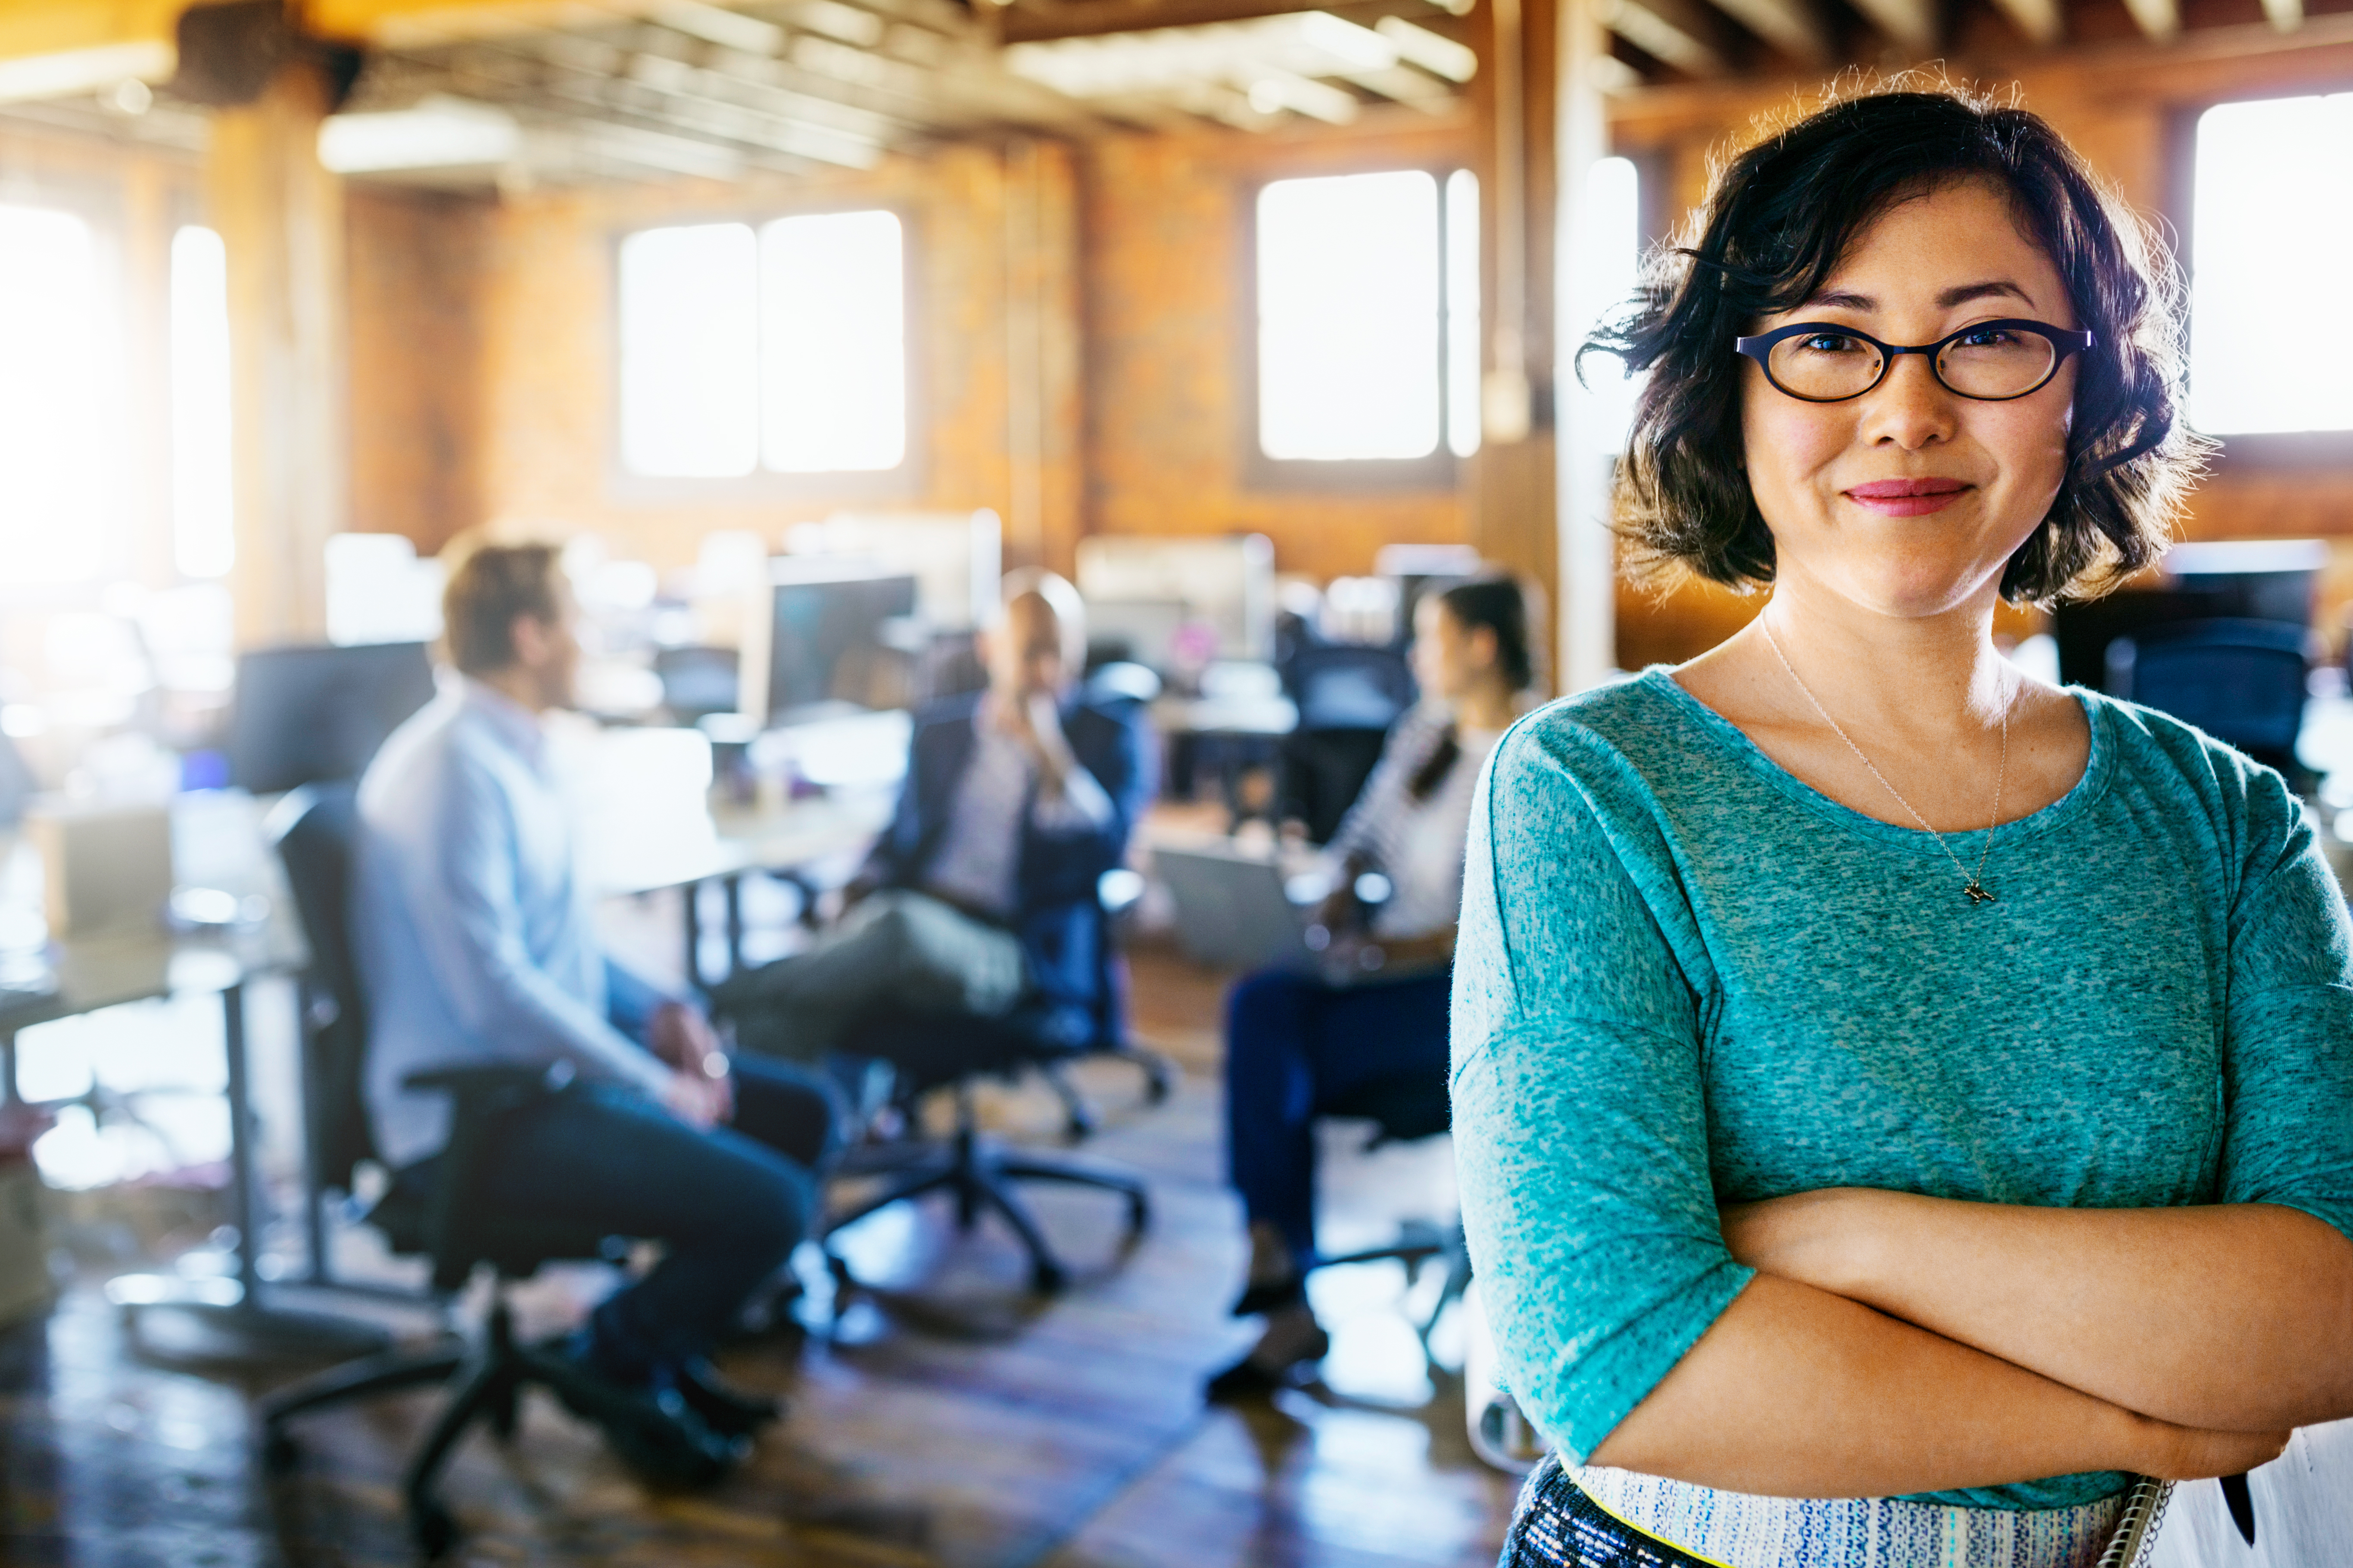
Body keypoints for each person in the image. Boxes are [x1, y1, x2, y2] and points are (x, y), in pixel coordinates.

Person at [1455, 86, 2353, 1567]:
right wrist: (2143, 1426)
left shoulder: (2228, 823)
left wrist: (1843, 1239)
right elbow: (1619, 1355)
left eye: (1990, 334)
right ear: (1729, 388)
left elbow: (2326, 1310)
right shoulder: (1590, 791)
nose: (1906, 404)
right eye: (1825, 336)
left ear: (2089, 388)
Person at [355, 537, 840, 1484]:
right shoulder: (456, 770)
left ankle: (658, 1351)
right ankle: (615, 1354)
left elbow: (557, 950)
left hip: (542, 1080)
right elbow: (496, 995)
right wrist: (653, 1081)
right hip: (481, 1113)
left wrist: (665, 1009)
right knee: (773, 1205)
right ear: (533, 635)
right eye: (578, 618)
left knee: (801, 1114)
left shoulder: (515, 750)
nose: (592, 640)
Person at [1210, 576, 1536, 1399]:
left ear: (1481, 647)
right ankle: (1272, 1253)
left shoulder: (1531, 751)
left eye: (1430, 638)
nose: (1414, 655)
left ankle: (1283, 1292)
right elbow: (1362, 840)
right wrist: (1335, 891)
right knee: (1260, 1005)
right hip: (1385, 970)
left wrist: (1385, 959)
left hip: (1463, 999)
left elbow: (1512, 923)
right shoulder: (1423, 733)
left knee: (1275, 1064)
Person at [715, 569, 1153, 1083]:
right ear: (990, 648)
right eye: (1031, 651)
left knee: (897, 927)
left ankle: (717, 995)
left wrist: (1048, 753)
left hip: (1015, 949)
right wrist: (860, 882)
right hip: (920, 913)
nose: (1047, 669)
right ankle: (791, 1133)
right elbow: (899, 838)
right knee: (785, 1016)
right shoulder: (942, 732)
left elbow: (1107, 851)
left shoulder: (1105, 734)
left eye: (1060, 651)